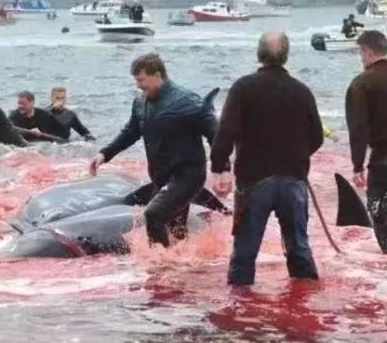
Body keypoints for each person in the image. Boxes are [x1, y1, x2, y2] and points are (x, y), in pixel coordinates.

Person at [211, 32, 323, 286]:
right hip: (293, 179)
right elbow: (317, 136)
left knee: (244, 253)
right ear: (286, 55)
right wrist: (295, 157)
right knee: (299, 248)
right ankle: (305, 309)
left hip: (253, 181)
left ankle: (239, 313)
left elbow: (226, 131)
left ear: (258, 54)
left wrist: (220, 167)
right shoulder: (302, 91)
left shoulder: (243, 88)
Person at [89, 53, 217, 247]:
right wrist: (104, 153)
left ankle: (160, 265)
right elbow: (130, 132)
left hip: (188, 176)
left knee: (153, 215)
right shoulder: (140, 103)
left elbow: (214, 134)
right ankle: (185, 269)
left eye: (141, 80)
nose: (138, 85)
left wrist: (223, 168)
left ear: (157, 74)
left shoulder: (186, 101)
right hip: (162, 178)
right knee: (176, 231)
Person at [345, 30, 387, 253]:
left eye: (361, 53)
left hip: (382, 162)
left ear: (368, 52)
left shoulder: (362, 83)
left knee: (379, 211)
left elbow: (358, 128)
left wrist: (357, 165)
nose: (361, 59)